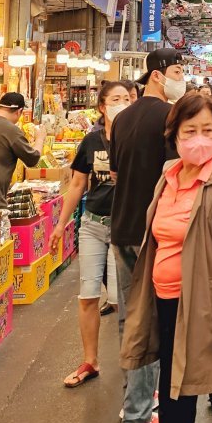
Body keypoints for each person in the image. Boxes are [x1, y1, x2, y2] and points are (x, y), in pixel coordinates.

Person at [119, 93, 212, 423]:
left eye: (207, 130)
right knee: (175, 393)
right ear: (174, 135)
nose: (199, 138)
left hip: (207, 308)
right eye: (190, 130)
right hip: (168, 306)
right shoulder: (168, 177)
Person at [111, 48, 186, 423]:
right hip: (152, 232)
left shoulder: (121, 117)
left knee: (129, 316)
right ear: (157, 75)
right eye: (176, 70)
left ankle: (134, 397)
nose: (181, 76)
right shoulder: (169, 118)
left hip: (122, 227)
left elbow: (116, 171)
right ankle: (139, 416)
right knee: (150, 321)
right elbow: (175, 176)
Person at [53, 81, 131, 387]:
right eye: (116, 99)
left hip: (127, 227)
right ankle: (90, 360)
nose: (122, 102)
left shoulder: (139, 139)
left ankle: (131, 365)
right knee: (88, 296)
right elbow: (76, 185)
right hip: (93, 224)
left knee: (121, 299)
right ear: (102, 106)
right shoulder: (91, 141)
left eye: (127, 98)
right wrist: (61, 224)